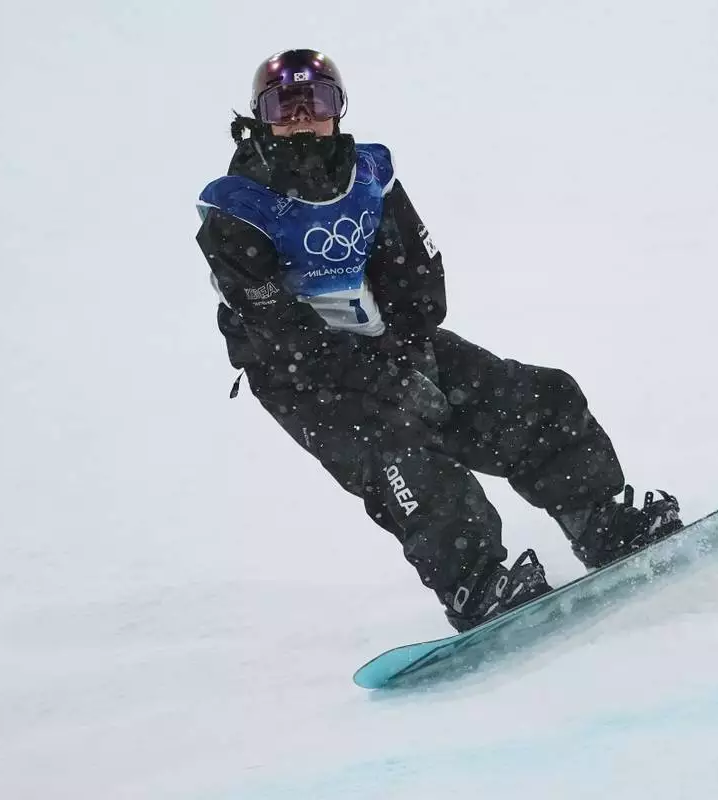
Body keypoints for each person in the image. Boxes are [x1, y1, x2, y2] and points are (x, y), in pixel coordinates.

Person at [195, 49, 683, 632]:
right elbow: (280, 334)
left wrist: (411, 348)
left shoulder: (369, 175)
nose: (302, 116)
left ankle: (598, 520)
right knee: (407, 460)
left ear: (338, 110)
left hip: (387, 344)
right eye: (285, 105)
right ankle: (474, 587)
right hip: (305, 379)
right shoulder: (236, 210)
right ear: (261, 117)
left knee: (536, 398)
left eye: (316, 101)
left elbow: (417, 277)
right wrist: (386, 380)